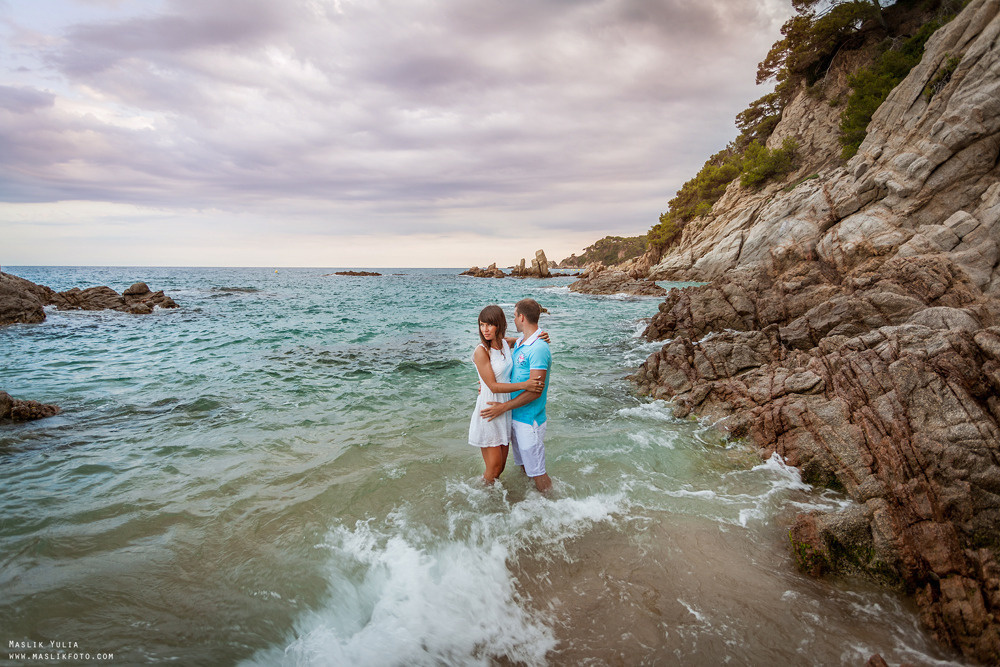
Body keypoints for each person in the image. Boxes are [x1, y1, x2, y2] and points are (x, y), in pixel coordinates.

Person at [481, 298, 552, 493]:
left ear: (521, 317)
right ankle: (529, 503)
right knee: (524, 467)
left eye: (514, 316)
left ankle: (553, 505)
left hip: (530, 422)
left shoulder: (538, 347)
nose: (513, 320)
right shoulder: (522, 342)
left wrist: (503, 407)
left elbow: (535, 391)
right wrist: (485, 382)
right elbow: (499, 349)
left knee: (537, 471)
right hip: (515, 417)